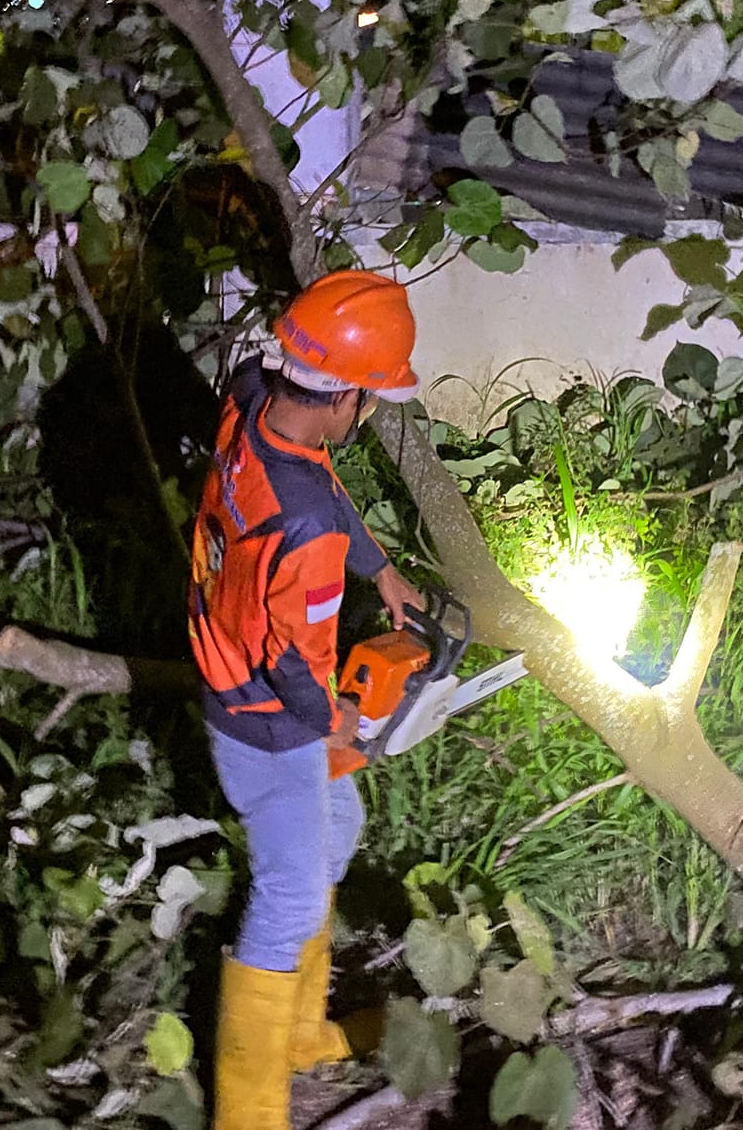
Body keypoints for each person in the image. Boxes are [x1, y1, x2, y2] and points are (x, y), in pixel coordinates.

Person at [188, 270, 426, 1130]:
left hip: (239, 672)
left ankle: (295, 1030)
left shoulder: (252, 403)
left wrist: (383, 569)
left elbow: (319, 482)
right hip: (264, 718)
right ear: (342, 403)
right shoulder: (307, 536)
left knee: (343, 829)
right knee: (288, 892)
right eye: (366, 399)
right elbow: (294, 663)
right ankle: (247, 1112)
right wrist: (345, 719)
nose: (365, 414)